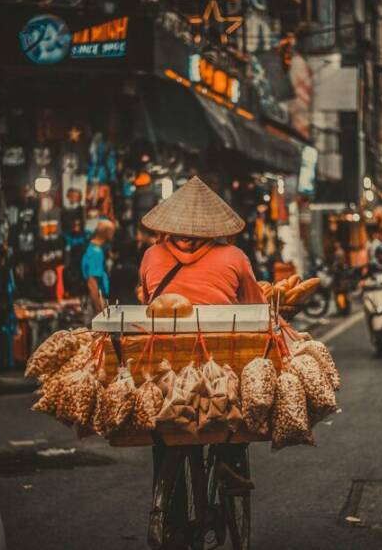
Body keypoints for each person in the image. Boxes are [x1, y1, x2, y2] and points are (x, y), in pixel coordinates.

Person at [138, 177, 264, 546]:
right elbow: (255, 309)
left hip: (162, 367)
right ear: (215, 229)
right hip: (215, 366)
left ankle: (164, 504)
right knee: (233, 394)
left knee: (164, 432)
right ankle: (230, 458)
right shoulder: (234, 257)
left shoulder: (150, 256)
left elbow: (148, 297)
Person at [81, 219, 115, 325]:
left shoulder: (92, 247)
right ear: (107, 233)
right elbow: (92, 283)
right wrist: (99, 310)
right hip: (95, 299)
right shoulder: (96, 253)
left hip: (95, 298)